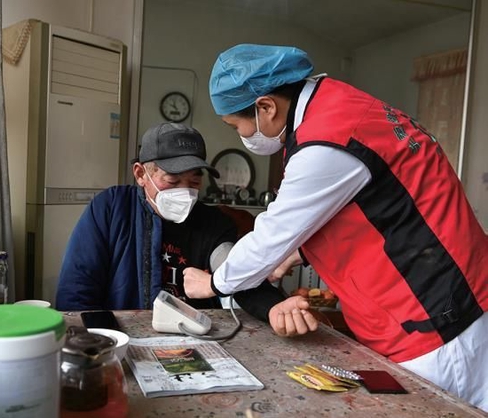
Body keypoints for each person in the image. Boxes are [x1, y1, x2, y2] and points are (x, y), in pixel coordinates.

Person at [182, 44, 488, 411]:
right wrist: (298, 253)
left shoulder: (327, 139)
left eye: (237, 125)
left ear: (266, 107)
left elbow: (270, 236)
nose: (241, 135)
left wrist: (213, 283)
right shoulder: (339, 108)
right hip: (442, 301)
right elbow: (371, 208)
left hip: (437, 324)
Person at [55, 122, 306, 330]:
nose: (184, 192)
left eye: (194, 182)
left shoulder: (212, 223)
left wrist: (273, 306)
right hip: (121, 335)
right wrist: (93, 341)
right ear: (141, 174)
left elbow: (233, 269)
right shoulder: (111, 209)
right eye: (172, 180)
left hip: (192, 335)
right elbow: (77, 287)